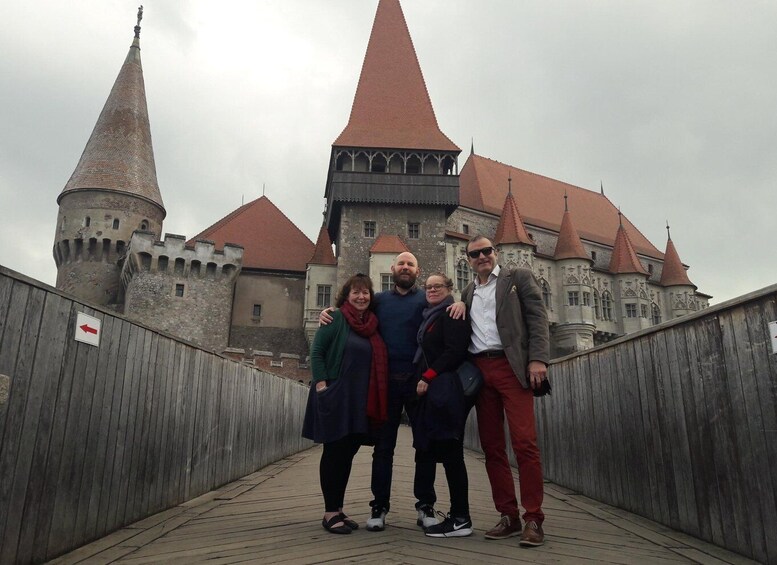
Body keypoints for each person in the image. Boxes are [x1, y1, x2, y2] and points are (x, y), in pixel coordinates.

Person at [320, 252, 440, 532]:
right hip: (385, 382)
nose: (405, 267)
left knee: (424, 446)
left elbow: (446, 309)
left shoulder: (426, 299)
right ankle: (379, 506)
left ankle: (425, 505)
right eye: (401, 264)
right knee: (383, 448)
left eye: (410, 263)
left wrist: (459, 304)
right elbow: (355, 311)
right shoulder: (380, 301)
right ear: (392, 269)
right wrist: (332, 312)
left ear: (417, 270)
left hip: (418, 381)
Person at [460, 235, 550, 547]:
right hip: (481, 372)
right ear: (468, 259)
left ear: (495, 253)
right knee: (492, 447)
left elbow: (538, 318)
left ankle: (533, 518)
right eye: (475, 253)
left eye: (486, 251)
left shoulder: (517, 278)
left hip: (512, 367)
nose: (482, 256)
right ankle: (508, 514)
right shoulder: (468, 291)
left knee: (525, 443)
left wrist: (538, 358)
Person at [302, 274, 388, 535]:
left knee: (346, 453)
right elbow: (317, 351)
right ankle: (329, 512)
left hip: (357, 399)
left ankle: (338, 508)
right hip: (337, 394)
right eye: (356, 293)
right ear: (346, 295)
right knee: (334, 453)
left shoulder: (371, 324)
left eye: (366, 293)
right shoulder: (336, 317)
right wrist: (322, 386)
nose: (361, 297)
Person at [412, 273, 474, 538]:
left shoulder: (452, 313)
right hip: (435, 393)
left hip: (446, 391)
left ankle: (461, 518)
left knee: (451, 454)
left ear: (450, 289)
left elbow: (455, 351)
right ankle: (443, 511)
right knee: (430, 449)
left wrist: (428, 375)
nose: (432, 290)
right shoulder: (430, 315)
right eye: (428, 287)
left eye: (438, 286)